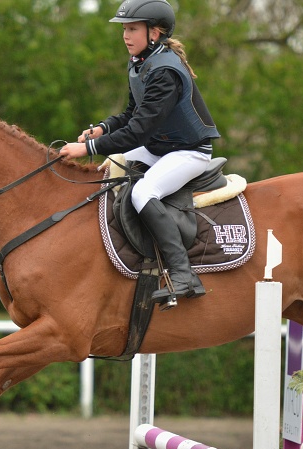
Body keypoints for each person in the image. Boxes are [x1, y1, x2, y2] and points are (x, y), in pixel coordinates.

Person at [59, 0, 220, 305]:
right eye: (124, 29)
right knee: (108, 170)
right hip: (160, 146)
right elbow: (132, 114)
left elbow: (138, 131)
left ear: (154, 33)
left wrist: (87, 148)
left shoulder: (165, 72)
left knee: (142, 193)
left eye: (132, 29)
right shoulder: (141, 62)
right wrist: (103, 129)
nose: (125, 36)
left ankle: (183, 274)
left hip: (188, 152)